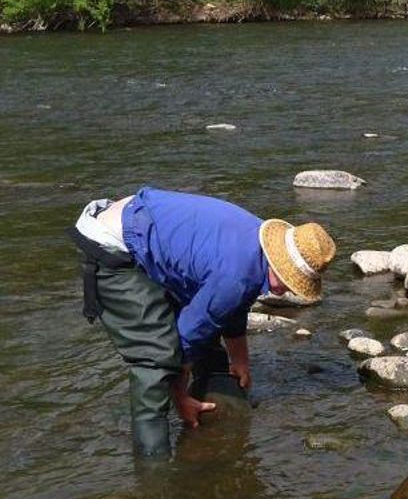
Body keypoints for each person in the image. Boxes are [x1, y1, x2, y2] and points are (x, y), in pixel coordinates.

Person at [70, 187, 336, 456]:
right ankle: (154, 469)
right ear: (277, 262)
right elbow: (187, 336)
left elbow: (230, 307)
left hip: (144, 224)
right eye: (289, 280)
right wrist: (180, 398)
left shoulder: (254, 244)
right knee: (156, 356)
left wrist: (240, 360)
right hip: (110, 243)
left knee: (207, 328)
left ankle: (214, 400)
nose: (288, 290)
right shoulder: (236, 277)